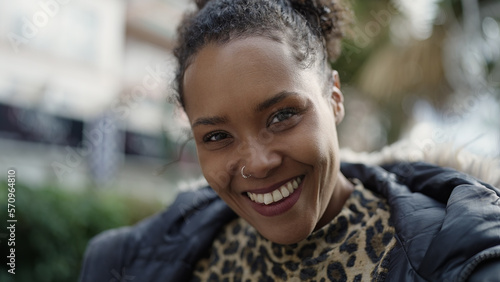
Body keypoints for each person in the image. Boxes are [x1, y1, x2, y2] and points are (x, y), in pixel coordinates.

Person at [79, 0, 500, 281]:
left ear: (334, 98)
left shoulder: (460, 260)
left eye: (282, 116)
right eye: (217, 136)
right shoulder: (127, 263)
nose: (257, 163)